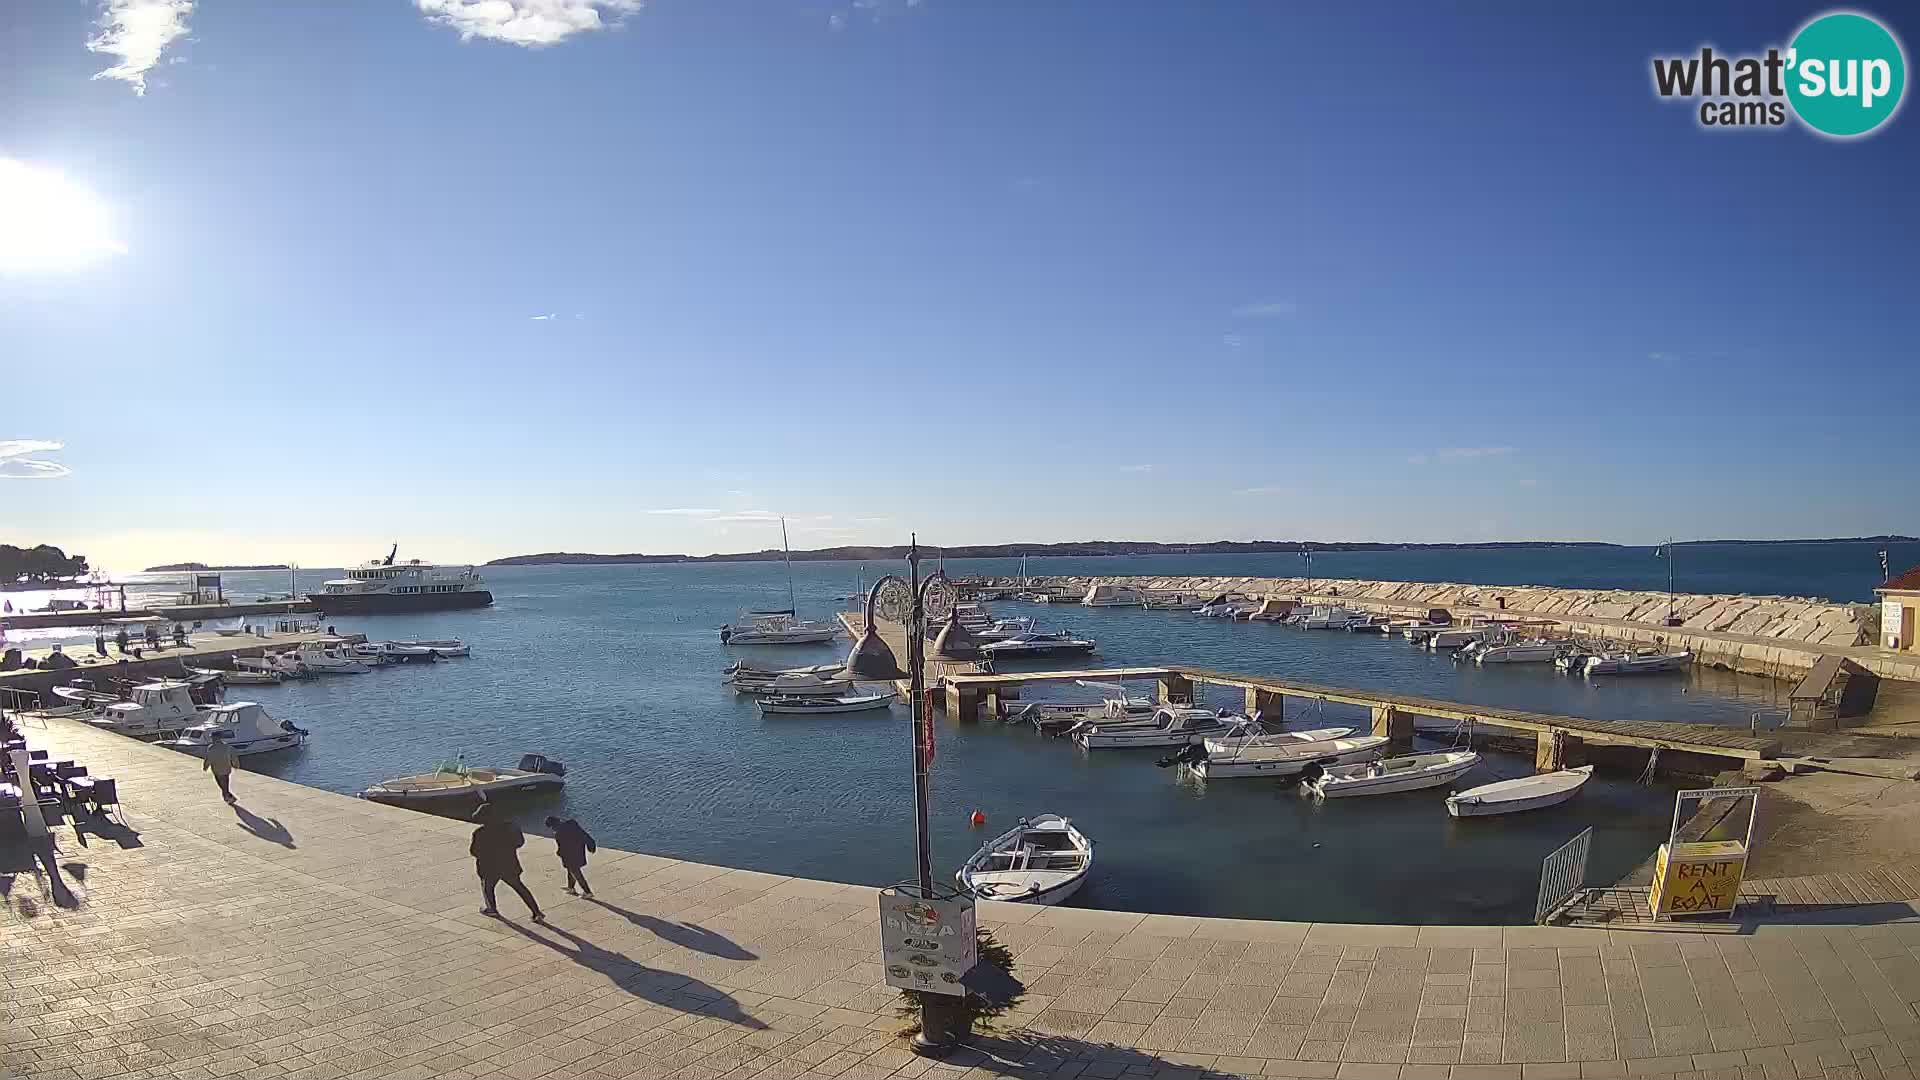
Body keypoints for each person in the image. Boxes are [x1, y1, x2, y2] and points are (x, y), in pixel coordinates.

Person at [470, 803, 544, 921]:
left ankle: (492, 909)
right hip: (509, 863)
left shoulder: (480, 832)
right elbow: (520, 843)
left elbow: (474, 851)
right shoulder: (511, 827)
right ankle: (536, 912)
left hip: (489, 866)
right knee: (520, 887)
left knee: (488, 887)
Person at [544, 815, 597, 897]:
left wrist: (558, 853)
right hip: (579, 851)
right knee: (570, 871)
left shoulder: (558, 833)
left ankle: (587, 892)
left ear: (553, 826)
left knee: (576, 873)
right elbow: (584, 834)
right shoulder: (572, 823)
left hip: (570, 856)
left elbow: (562, 848)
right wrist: (591, 845)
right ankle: (571, 888)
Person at [204, 732, 237, 803]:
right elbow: (233, 756)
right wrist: (235, 764)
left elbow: (209, 758)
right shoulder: (227, 746)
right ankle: (228, 796)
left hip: (217, 769)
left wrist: (205, 766)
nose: (212, 739)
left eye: (212, 738)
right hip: (227, 768)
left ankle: (228, 796)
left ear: (215, 738)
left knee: (221, 784)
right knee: (226, 783)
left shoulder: (211, 747)